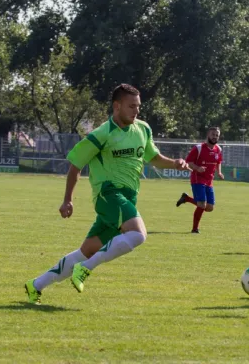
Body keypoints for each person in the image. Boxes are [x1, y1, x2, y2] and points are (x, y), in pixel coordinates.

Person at [25, 84, 190, 304]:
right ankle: (85, 270)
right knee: (139, 234)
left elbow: (154, 157)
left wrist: (175, 163)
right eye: (131, 106)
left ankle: (35, 285)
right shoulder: (102, 134)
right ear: (117, 106)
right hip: (108, 194)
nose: (136, 111)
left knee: (86, 251)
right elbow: (75, 166)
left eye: (138, 106)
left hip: (127, 198)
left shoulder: (143, 129)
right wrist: (68, 200)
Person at [175, 127, 224, 234]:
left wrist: (219, 172)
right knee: (202, 204)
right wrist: (197, 168)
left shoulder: (218, 149)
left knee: (209, 207)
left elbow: (218, 162)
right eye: (213, 134)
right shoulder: (199, 148)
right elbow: (189, 162)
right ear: (208, 135)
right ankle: (195, 229)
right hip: (198, 179)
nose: (215, 137)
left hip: (209, 181)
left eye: (217, 135)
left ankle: (186, 198)